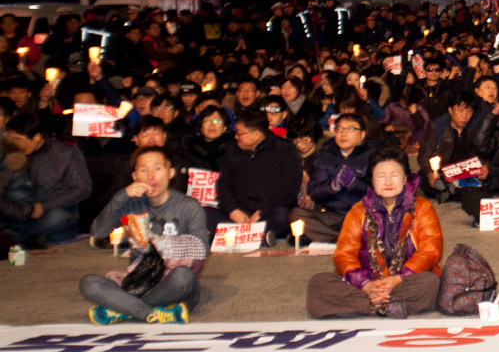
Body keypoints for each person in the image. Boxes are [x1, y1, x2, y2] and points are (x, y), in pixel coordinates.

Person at [80, 146, 209, 324]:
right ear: (134, 177)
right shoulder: (131, 203)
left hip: (172, 282)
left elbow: (201, 248)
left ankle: (123, 309)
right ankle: (151, 312)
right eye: (143, 170)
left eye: (157, 168)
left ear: (170, 172)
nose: (151, 176)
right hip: (140, 282)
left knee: (184, 277)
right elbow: (98, 231)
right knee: (89, 283)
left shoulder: (189, 206)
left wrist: (157, 243)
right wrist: (120, 197)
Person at [307, 154, 443, 318]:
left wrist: (398, 279)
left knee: (430, 283)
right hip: (366, 282)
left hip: (405, 282)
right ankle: (385, 306)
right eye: (381, 176)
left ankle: (365, 305)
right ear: (372, 181)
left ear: (405, 178)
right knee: (318, 284)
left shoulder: (423, 207)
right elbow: (344, 253)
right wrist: (365, 285)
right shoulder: (358, 210)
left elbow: (430, 251)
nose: (388, 182)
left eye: (394, 175)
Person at [3, 114, 90, 246]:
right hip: (20, 212)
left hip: (52, 212)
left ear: (36, 137)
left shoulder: (66, 153)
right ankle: (24, 239)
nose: (14, 144)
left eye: (18, 139)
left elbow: (82, 188)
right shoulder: (10, 153)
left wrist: (44, 206)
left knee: (59, 218)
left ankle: (18, 239)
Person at [215, 116, 303, 244]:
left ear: (256, 135)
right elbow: (224, 184)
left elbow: (288, 189)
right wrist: (232, 209)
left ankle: (247, 236)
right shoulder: (232, 149)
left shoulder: (285, 149)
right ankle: (259, 236)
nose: (235, 137)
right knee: (205, 214)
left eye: (239, 134)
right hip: (240, 211)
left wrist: (262, 211)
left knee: (285, 216)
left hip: (270, 210)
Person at [294, 113, 378, 243]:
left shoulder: (375, 153)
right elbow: (314, 191)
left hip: (365, 214)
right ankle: (346, 236)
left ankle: (331, 236)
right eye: (339, 129)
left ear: (362, 135)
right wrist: (332, 186)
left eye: (350, 129)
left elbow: (381, 193)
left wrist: (354, 184)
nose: (343, 134)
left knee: (377, 223)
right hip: (335, 215)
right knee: (296, 216)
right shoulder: (326, 154)